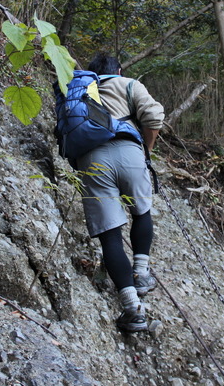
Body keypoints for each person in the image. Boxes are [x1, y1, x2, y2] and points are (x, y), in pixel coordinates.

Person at [77, 53, 165, 332]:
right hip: (130, 153)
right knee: (141, 211)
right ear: (118, 69)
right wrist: (146, 152)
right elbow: (154, 117)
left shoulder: (78, 88)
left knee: (110, 233)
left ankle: (132, 309)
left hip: (91, 159)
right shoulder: (129, 84)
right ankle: (140, 272)